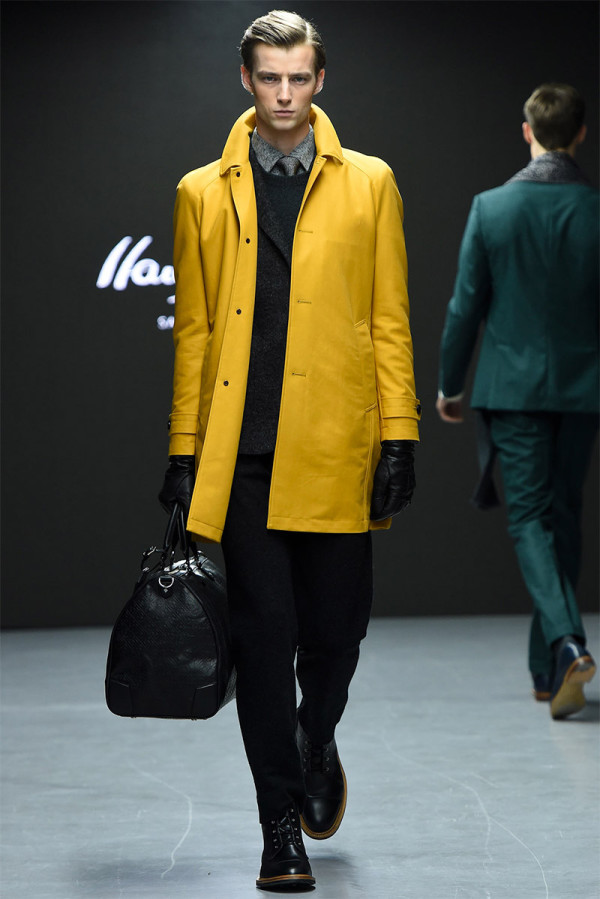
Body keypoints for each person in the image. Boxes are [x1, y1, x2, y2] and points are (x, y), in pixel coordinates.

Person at [158, 10, 420, 891]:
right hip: (242, 455)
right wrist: (185, 447)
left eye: (298, 78)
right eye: (268, 77)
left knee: (336, 635)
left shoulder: (371, 183)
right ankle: (279, 827)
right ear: (245, 78)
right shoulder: (202, 191)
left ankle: (317, 735)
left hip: (338, 445)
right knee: (263, 643)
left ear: (320, 79)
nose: (283, 94)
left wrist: (399, 432)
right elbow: (195, 331)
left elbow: (388, 317)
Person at [437, 83, 598, 722]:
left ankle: (567, 641)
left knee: (531, 518)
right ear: (580, 133)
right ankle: (546, 670)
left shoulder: (492, 208)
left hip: (513, 389)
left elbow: (464, 307)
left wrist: (451, 386)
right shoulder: (595, 211)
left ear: (527, 131)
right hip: (583, 390)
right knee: (565, 516)